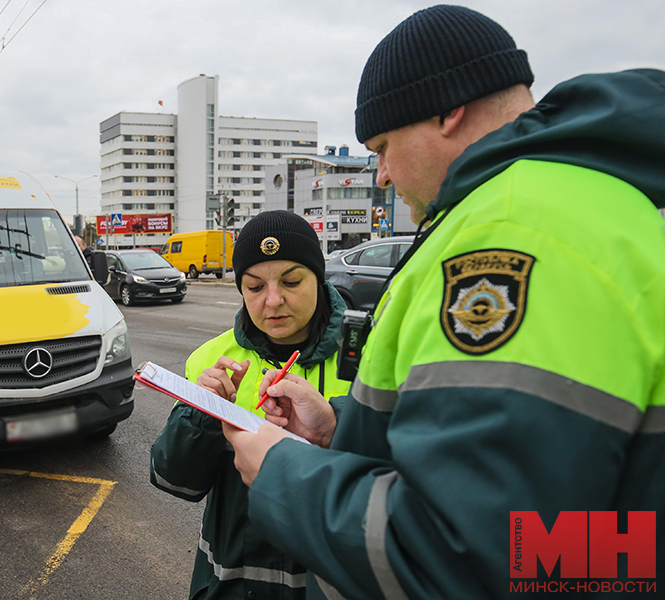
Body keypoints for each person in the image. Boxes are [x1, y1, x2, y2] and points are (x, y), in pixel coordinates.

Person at [223, 6, 665, 599]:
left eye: (382, 145)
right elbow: (577, 539)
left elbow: (474, 556)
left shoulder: (515, 232)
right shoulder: (585, 203)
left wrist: (282, 473)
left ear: (448, 109)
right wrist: (340, 429)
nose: (379, 174)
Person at [149, 211, 352, 600]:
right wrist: (203, 415)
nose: (273, 301)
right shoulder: (211, 358)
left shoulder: (369, 355)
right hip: (232, 585)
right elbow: (174, 479)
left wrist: (335, 427)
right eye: (254, 286)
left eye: (292, 281)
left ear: (319, 278)